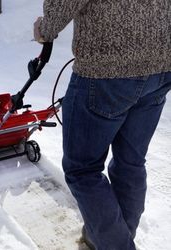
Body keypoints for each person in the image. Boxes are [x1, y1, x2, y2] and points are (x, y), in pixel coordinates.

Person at [34, 1, 171, 249]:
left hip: (107, 69)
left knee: (82, 170)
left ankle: (116, 244)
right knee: (131, 162)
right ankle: (111, 238)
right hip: (160, 68)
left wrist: (46, 27)